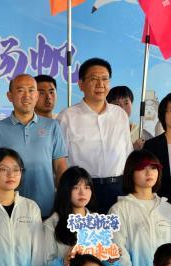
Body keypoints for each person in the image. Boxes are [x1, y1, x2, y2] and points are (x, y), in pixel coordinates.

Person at [43, 166, 123, 266]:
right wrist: (64, 263)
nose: (82, 193)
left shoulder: (98, 222)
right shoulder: (51, 224)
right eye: (76, 187)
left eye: (87, 187)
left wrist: (112, 260)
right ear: (65, 190)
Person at [0, 74, 68, 217]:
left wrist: (64, 201)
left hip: (46, 207)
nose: (26, 95)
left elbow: (60, 165)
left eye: (31, 90)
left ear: (36, 95)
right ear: (9, 96)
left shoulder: (52, 126)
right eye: (20, 90)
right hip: (9, 209)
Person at [57, 58, 133, 213]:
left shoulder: (120, 114)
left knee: (118, 229)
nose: (100, 84)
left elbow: (127, 152)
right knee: (87, 229)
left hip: (118, 188)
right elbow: (60, 160)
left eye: (105, 79)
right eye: (93, 79)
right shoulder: (67, 117)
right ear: (81, 84)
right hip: (84, 191)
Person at [109, 150, 171, 266]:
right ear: (130, 173)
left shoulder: (167, 209)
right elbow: (119, 255)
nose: (149, 173)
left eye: (153, 168)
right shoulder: (119, 210)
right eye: (142, 168)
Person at [107, 85, 151, 151]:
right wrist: (132, 149)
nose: (122, 107)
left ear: (131, 104)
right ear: (109, 107)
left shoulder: (141, 133)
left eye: (126, 103)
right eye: (117, 104)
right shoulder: (104, 131)